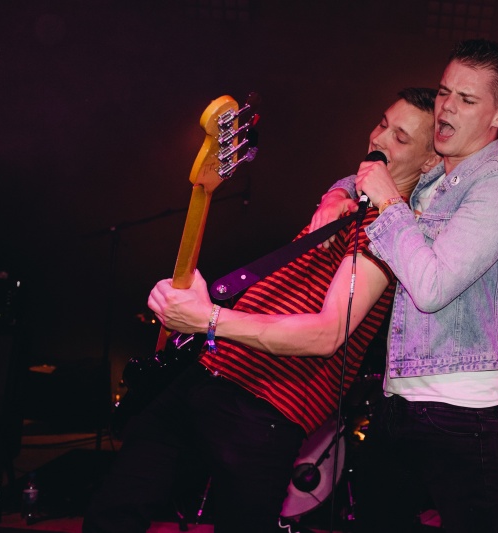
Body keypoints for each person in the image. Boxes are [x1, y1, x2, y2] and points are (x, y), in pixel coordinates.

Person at [82, 87, 441, 533]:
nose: (380, 139)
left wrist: (208, 318)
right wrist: (336, 193)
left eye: (400, 137)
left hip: (267, 410)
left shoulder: (394, 232)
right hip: (209, 375)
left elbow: (327, 334)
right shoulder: (347, 206)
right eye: (382, 124)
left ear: (430, 160)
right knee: (114, 508)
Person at [312, 39, 498, 533]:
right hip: (399, 401)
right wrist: (336, 194)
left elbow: (432, 287)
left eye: (466, 99)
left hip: (464, 414)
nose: (446, 107)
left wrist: (390, 204)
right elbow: (365, 174)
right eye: (444, 92)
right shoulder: (436, 176)